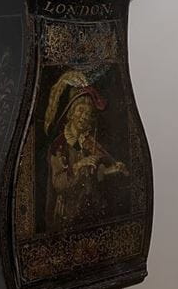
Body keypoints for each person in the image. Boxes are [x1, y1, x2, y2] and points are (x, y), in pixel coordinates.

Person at [44, 71, 128, 233]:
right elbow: (58, 184)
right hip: (67, 214)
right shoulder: (59, 146)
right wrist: (78, 165)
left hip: (89, 211)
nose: (84, 116)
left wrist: (111, 170)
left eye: (88, 114)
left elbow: (95, 174)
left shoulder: (90, 143)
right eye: (80, 111)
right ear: (71, 113)